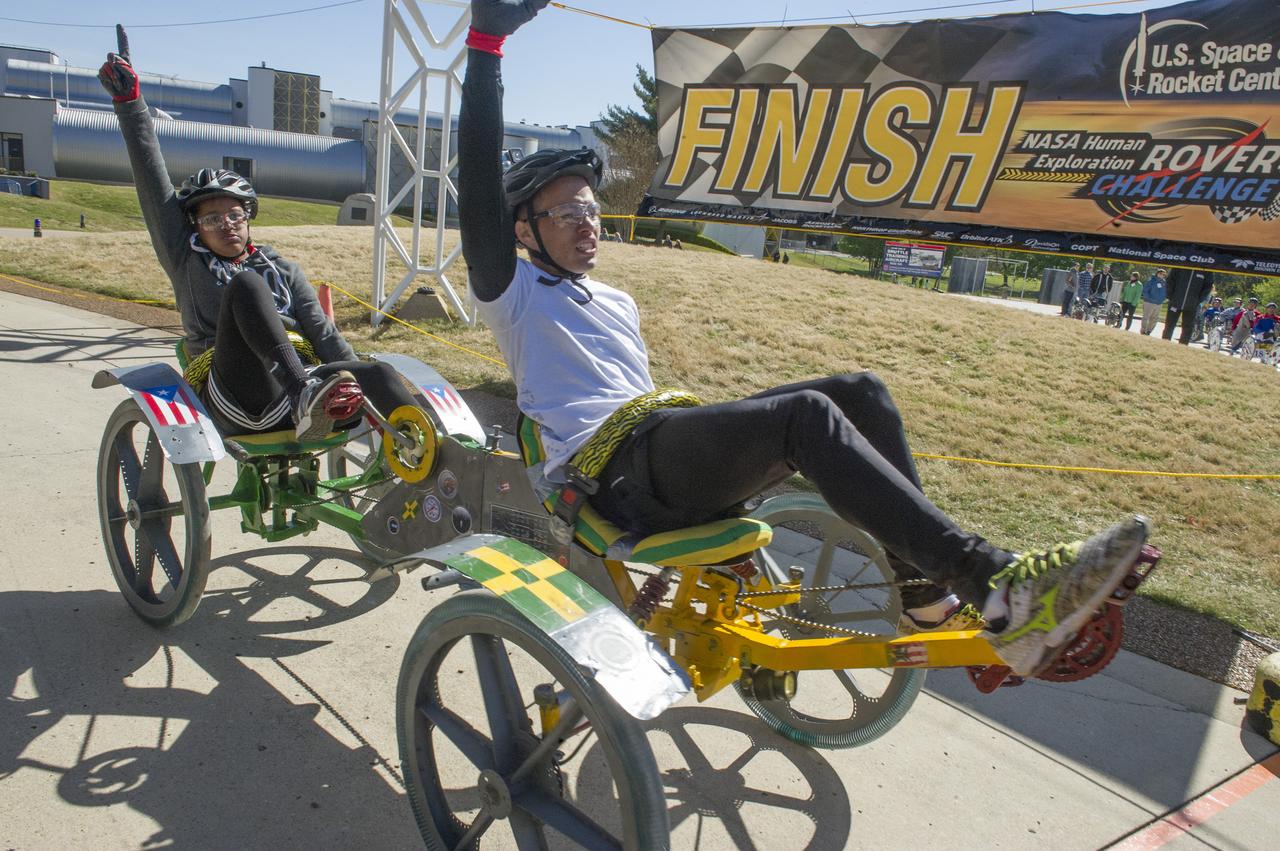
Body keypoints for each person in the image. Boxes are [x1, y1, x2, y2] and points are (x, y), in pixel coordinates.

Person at [457, 0, 1151, 677]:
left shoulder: (615, 299)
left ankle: (924, 594)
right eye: (565, 212)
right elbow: (479, 194)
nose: (587, 222)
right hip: (608, 477)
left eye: (590, 207)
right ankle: (994, 584)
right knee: (806, 419)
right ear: (524, 231)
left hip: (661, 445)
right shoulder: (512, 294)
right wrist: (486, 48)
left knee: (860, 391)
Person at [98, 45, 418, 440]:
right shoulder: (186, 259)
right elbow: (152, 181)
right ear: (195, 227)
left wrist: (357, 377)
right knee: (247, 285)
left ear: (248, 218)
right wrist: (130, 105)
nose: (227, 225)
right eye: (212, 218)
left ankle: (441, 459)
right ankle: (301, 389)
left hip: (307, 393)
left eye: (235, 215)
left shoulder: (282, 269)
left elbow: (323, 335)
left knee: (380, 374)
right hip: (236, 394)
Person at [1163, 268, 1215, 345]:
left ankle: (1183, 346)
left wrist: (1198, 300)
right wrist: (1170, 296)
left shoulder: (1206, 271)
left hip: (1192, 306)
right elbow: (1170, 280)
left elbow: (1207, 287)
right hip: (1175, 302)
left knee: (1188, 327)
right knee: (1169, 324)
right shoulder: (1182, 265)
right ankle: (1164, 343)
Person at [1140, 269, 1168, 335]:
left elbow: (1165, 292)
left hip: (1159, 304)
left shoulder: (1164, 283)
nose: (1162, 275)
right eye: (1161, 274)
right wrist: (1148, 298)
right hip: (1149, 302)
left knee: (1154, 319)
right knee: (1146, 317)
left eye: (1164, 274)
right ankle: (1143, 331)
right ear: (1157, 273)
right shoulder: (1151, 281)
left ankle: (1149, 331)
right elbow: (1145, 291)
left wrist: (1163, 300)